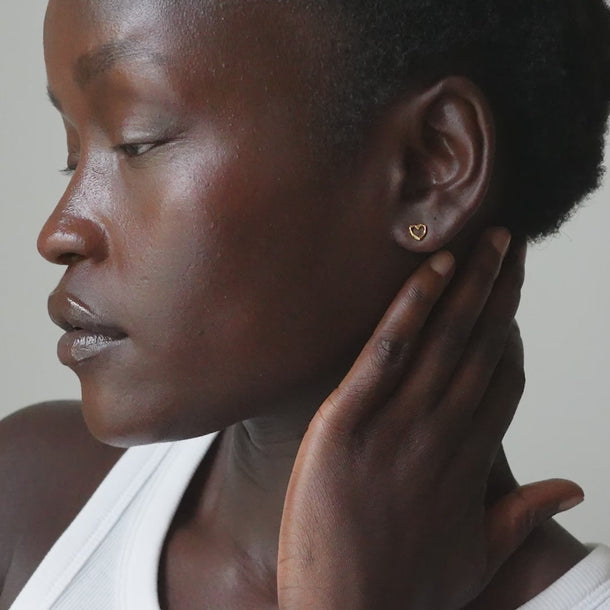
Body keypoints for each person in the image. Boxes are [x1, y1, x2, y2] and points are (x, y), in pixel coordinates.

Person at [1, 0, 609, 608]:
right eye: (73, 154)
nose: (58, 232)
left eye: (137, 141)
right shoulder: (26, 498)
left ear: (429, 165)